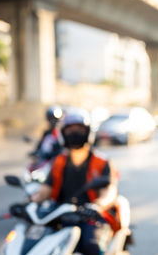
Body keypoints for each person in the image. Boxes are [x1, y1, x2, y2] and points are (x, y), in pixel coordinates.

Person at [31, 108, 120, 255]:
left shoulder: (101, 161)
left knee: (92, 246)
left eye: (79, 129)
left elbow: (109, 192)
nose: (74, 133)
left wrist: (97, 206)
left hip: (92, 217)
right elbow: (45, 190)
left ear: (88, 132)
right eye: (70, 130)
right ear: (63, 134)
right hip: (62, 215)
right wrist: (30, 202)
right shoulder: (58, 162)